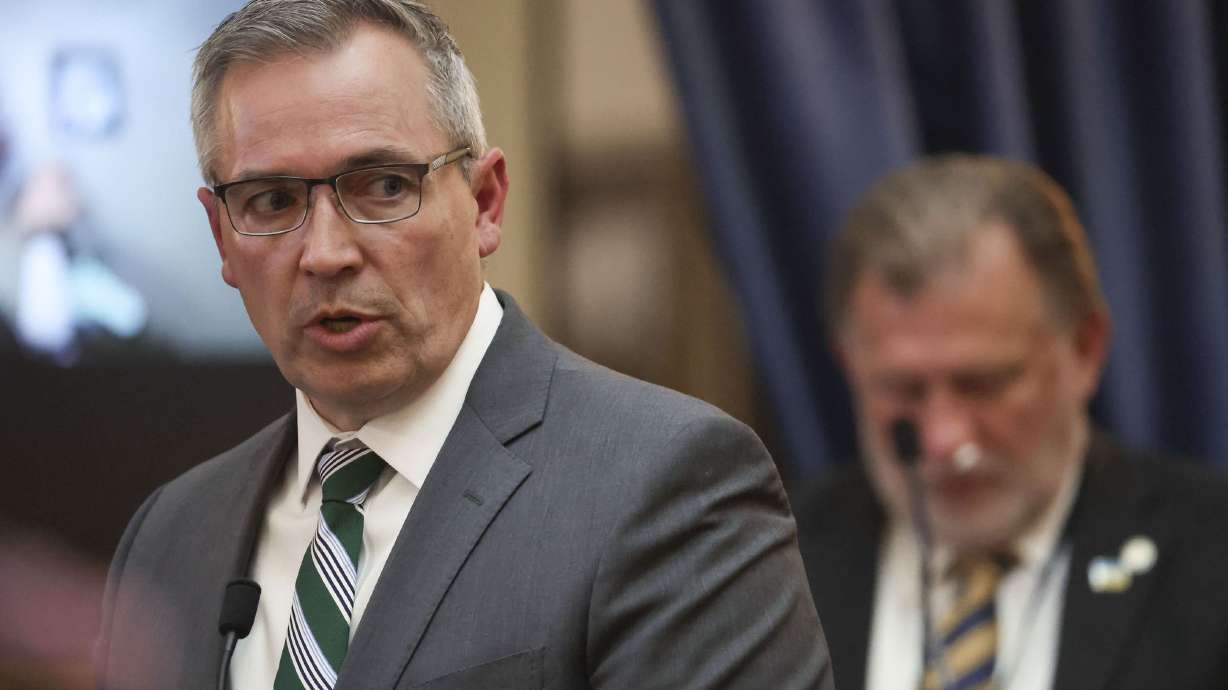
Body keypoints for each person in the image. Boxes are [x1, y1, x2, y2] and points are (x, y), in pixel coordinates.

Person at [95, 1, 832, 689]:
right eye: (273, 202)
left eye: (382, 186)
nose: (324, 253)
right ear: (223, 239)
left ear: (484, 203)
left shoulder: (669, 484)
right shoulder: (170, 533)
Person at [793, 154, 1228, 690]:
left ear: (1085, 350)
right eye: (902, 390)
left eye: (985, 383)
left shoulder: (1212, 555)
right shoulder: (778, 564)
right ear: (848, 366)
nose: (945, 439)